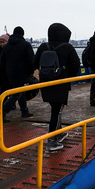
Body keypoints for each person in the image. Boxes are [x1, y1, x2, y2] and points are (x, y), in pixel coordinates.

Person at [33, 23, 80, 151]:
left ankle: (59, 133)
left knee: (55, 108)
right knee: (57, 110)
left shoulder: (43, 46)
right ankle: (52, 140)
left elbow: (35, 63)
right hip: (61, 83)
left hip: (46, 82)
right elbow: (76, 66)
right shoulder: (68, 47)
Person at [0, 26, 35, 120]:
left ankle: (24, 111)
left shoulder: (6, 47)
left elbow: (2, 62)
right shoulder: (26, 45)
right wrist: (31, 72)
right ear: (22, 34)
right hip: (23, 73)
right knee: (17, 93)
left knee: (20, 91)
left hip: (10, 74)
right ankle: (1, 111)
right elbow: (31, 60)